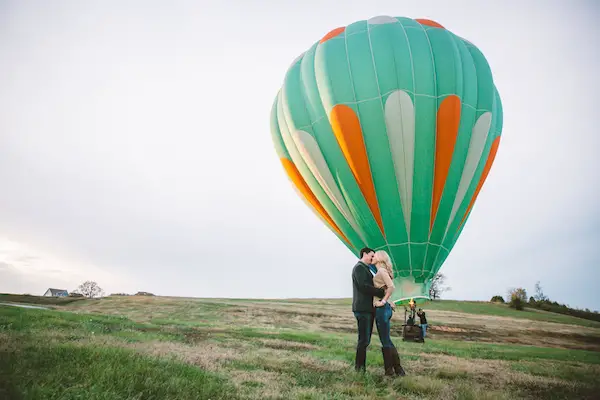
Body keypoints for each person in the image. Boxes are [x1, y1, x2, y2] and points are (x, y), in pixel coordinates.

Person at [372, 250, 406, 376]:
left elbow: (391, 287)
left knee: (385, 341)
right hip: (386, 308)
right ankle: (397, 369)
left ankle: (390, 371)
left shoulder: (381, 271)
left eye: (374, 255)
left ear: (380, 258)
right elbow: (386, 288)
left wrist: (384, 301)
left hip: (382, 309)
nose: (372, 257)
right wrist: (389, 301)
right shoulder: (382, 271)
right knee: (387, 340)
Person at [351, 247, 385, 372]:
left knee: (365, 340)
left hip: (366, 309)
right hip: (363, 308)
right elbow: (364, 287)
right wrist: (381, 292)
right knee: (363, 340)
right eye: (371, 256)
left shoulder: (365, 269)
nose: (373, 258)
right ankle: (359, 369)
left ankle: (360, 368)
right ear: (364, 254)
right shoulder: (359, 268)